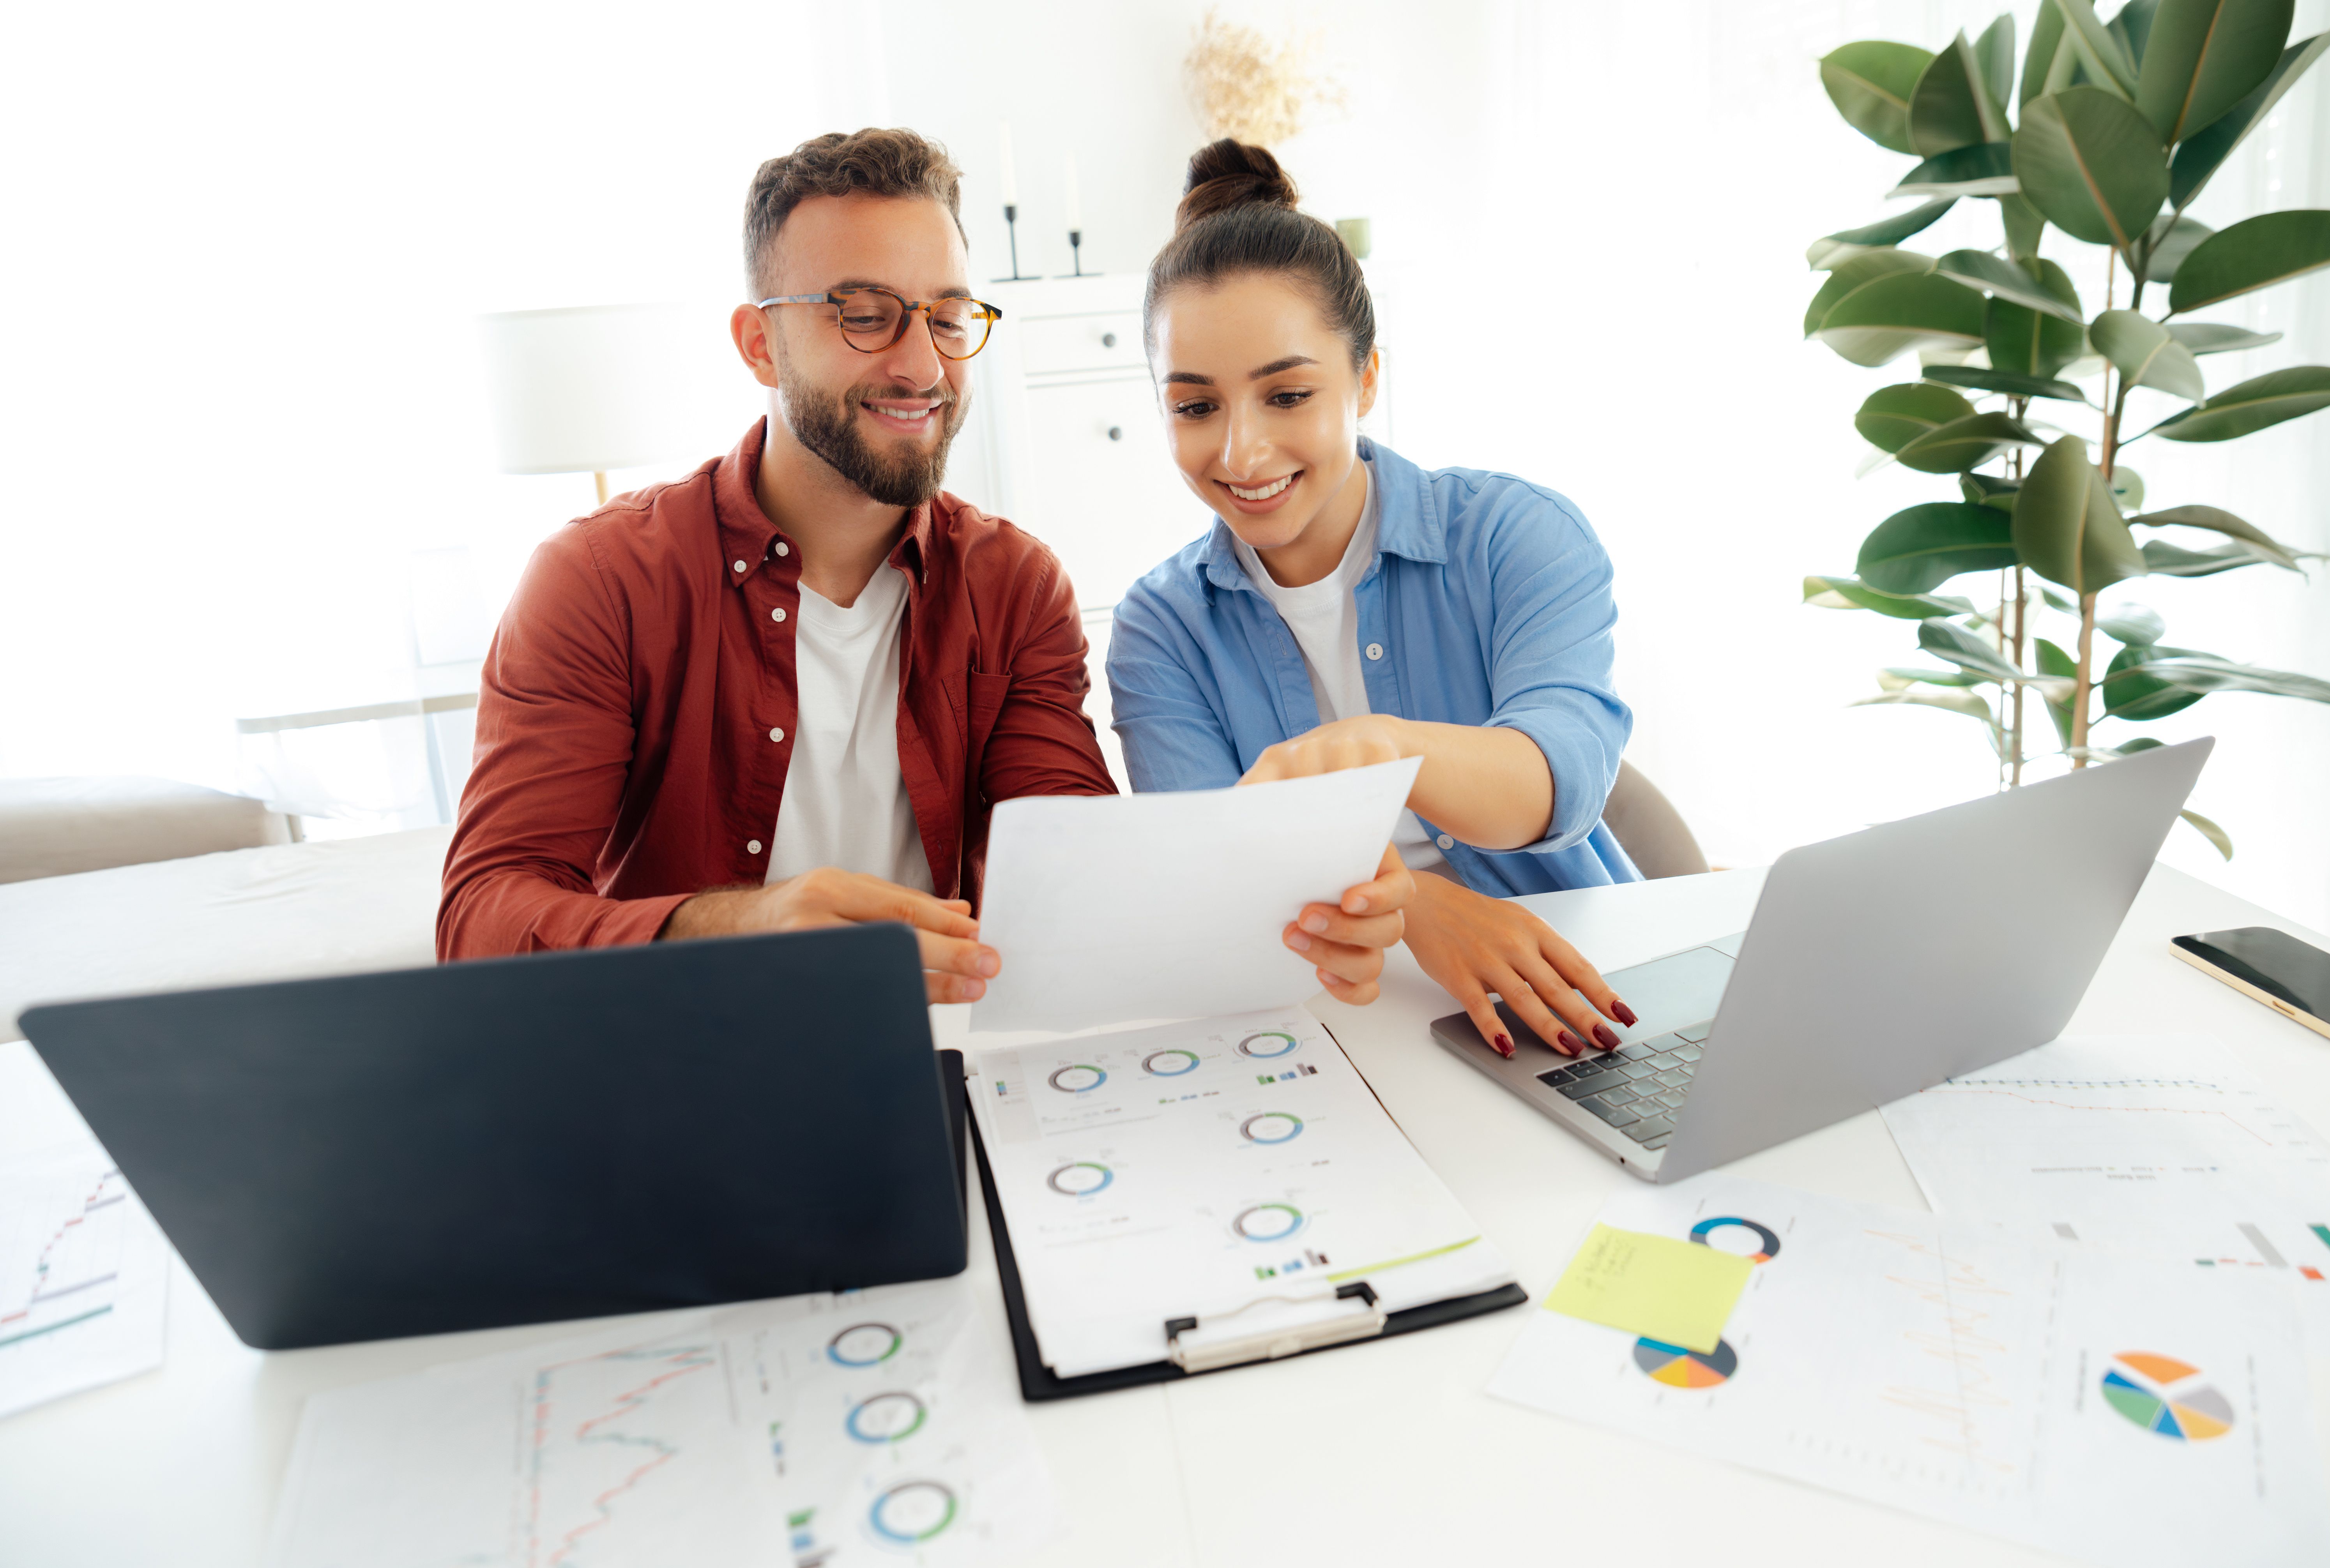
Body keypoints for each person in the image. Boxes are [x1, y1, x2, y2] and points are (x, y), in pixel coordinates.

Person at [439, 128, 1411, 1006]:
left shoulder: (1013, 587)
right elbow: (481, 919)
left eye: (947, 317)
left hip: (942, 1049)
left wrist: (1315, 910)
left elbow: (1079, 871)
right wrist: (742, 925)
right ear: (759, 344)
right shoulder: (601, 580)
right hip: (690, 1054)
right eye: (864, 315)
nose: (922, 365)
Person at [1110, 139, 1644, 1059]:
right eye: (1196, 408)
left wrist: (1386, 749)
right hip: (1331, 1022)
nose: (1241, 454)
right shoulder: (1160, 628)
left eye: (1287, 394)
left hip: (1576, 985)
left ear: (1365, 379)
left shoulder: (1515, 535)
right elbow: (1218, 869)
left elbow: (1563, 776)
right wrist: (1427, 909)